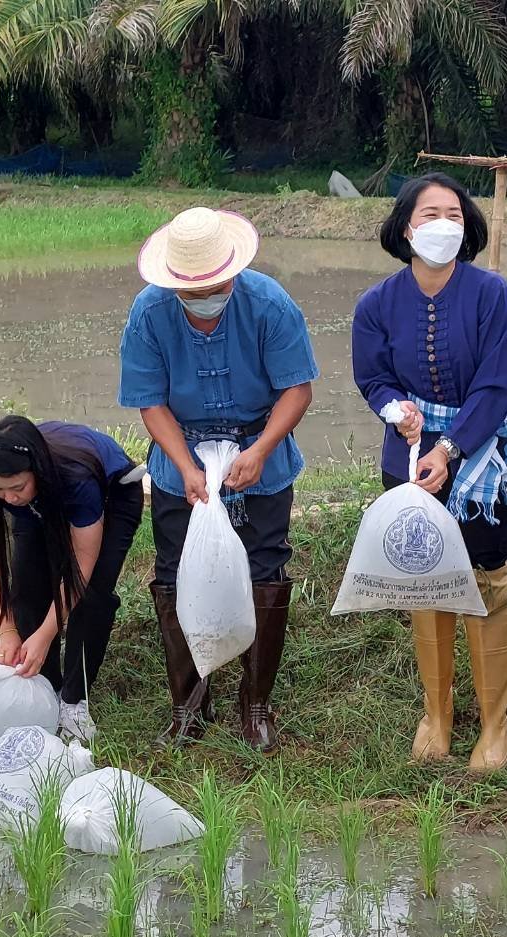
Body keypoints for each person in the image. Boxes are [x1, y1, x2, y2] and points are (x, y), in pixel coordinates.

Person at [352, 173, 507, 772]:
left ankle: (495, 725)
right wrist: (395, 410)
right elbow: (372, 377)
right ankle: (437, 715)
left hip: (482, 456)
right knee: (425, 581)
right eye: (430, 215)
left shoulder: (492, 294)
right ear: (406, 229)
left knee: (487, 583)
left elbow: (494, 385)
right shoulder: (375, 304)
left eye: (454, 215)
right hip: (408, 456)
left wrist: (450, 448)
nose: (443, 225)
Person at [119, 207, 318, 753]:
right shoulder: (149, 313)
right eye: (194, 291)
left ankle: (256, 703)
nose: (207, 296)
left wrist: (260, 450)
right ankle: (189, 703)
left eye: (217, 286)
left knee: (265, 567)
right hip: (181, 452)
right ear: (173, 284)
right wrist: (185, 466)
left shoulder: (269, 304)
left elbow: (297, 389)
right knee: (173, 571)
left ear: (233, 271)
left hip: (259, 450)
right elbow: (150, 402)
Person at [0, 415, 144, 743]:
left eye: (17, 487)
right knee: (26, 589)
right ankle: (47, 688)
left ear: (36, 470)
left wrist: (47, 633)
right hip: (42, 502)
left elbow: (80, 568)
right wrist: (7, 631)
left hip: (113, 493)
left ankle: (74, 700)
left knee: (92, 596)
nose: (8, 498)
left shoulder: (76, 477)